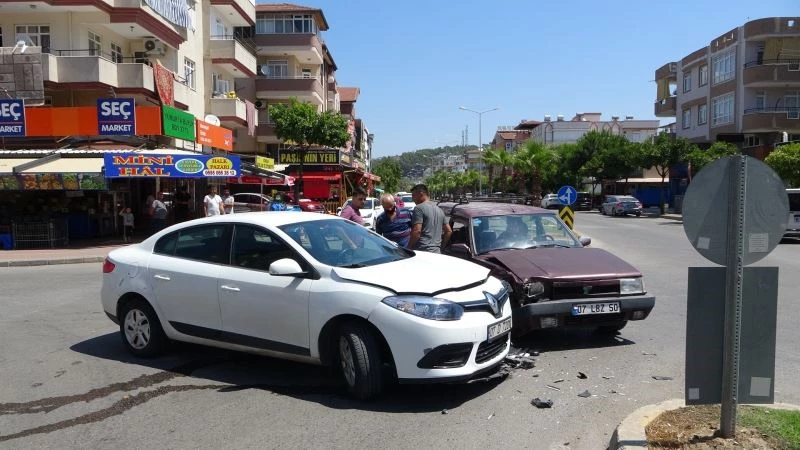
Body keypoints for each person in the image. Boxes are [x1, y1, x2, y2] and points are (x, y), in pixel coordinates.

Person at [408, 184, 452, 253]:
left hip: (422, 251)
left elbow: (417, 231)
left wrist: (409, 248)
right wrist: (441, 247)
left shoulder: (418, 208)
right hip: (437, 252)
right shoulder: (439, 210)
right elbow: (449, 231)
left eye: (414, 195)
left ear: (421, 194)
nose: (413, 199)